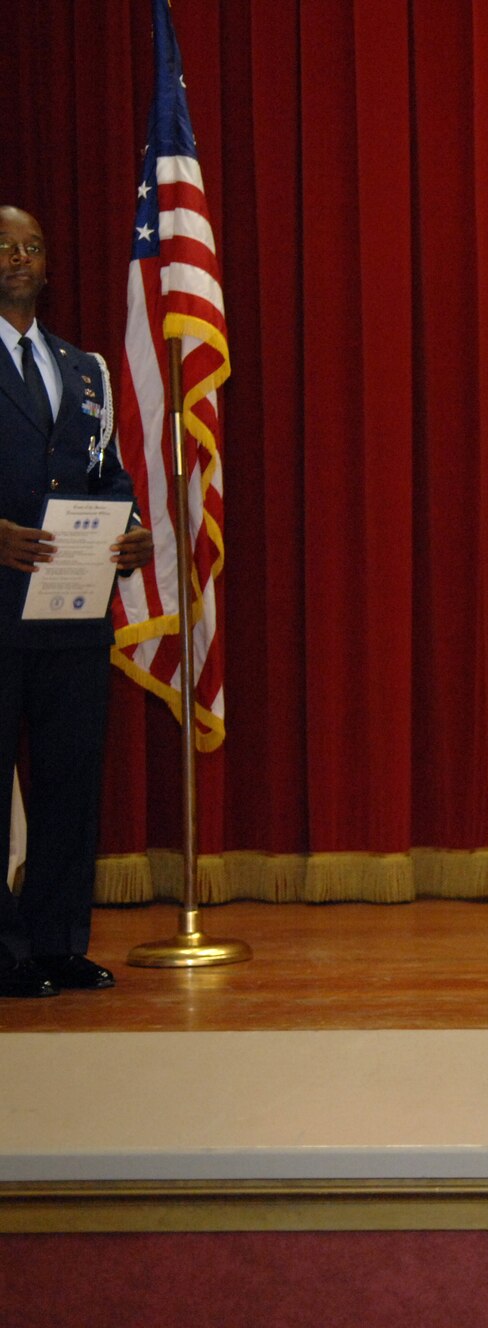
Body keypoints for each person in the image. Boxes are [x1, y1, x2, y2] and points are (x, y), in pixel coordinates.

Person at [0, 205, 153, 999]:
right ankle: (3, 952)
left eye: (31, 246)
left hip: (71, 613)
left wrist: (129, 531)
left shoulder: (83, 365)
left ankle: (58, 942)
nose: (18, 257)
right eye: (4, 247)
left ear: (48, 266)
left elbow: (109, 474)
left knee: (68, 785)